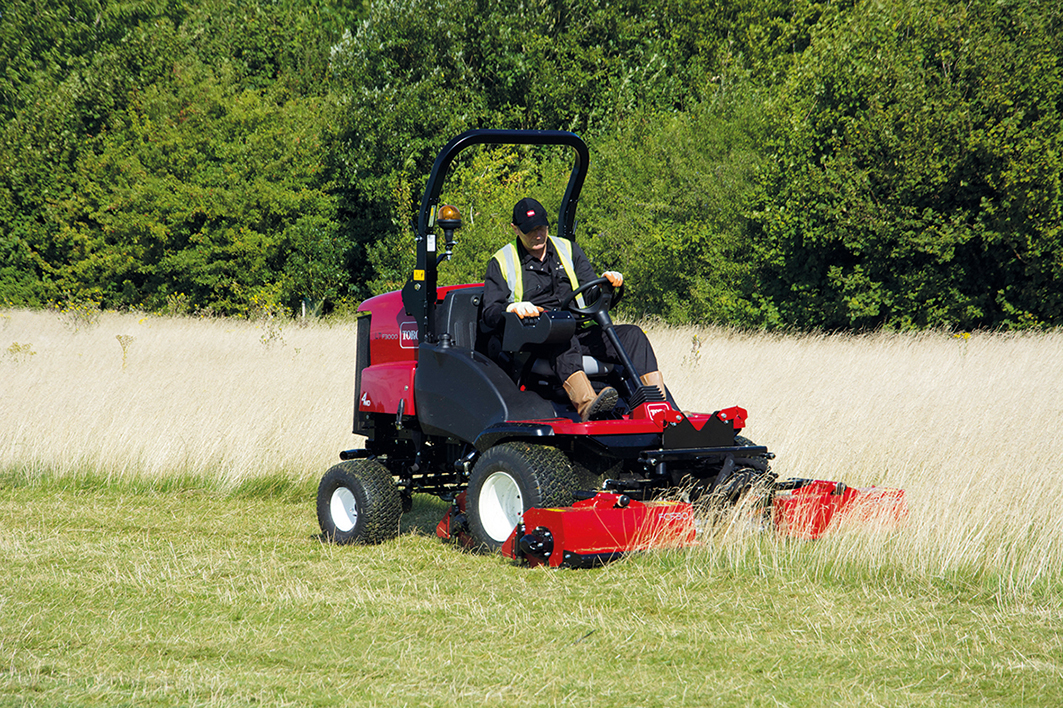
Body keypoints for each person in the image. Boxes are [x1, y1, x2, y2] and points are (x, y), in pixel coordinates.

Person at [482, 197, 668, 421]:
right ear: (515, 229)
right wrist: (513, 307)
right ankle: (589, 406)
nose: (538, 234)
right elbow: (490, 313)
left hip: (578, 327)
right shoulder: (502, 260)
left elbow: (591, 292)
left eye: (541, 228)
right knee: (562, 335)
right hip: (536, 339)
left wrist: (607, 284)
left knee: (633, 336)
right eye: (530, 230)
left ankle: (658, 408)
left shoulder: (567, 249)